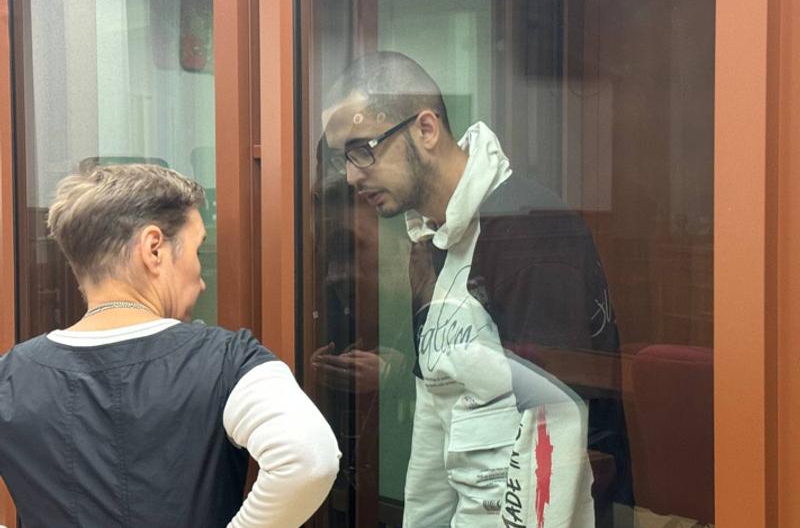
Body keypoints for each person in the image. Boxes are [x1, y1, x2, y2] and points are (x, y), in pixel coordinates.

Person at [318, 51, 629, 527]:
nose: (352, 175)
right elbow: (433, 419)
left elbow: (556, 433)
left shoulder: (526, 231)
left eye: (363, 149)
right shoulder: (429, 245)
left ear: (426, 129)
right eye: (342, 157)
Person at [0, 164, 340, 528]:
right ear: (154, 249)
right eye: (197, 250)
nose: (201, 280)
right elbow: (308, 460)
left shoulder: (9, 377)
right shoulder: (229, 360)